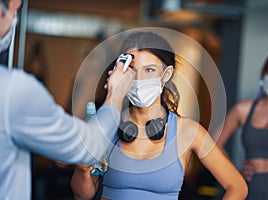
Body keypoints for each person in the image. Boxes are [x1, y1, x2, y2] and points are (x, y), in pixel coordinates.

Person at [71, 31, 248, 200]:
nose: (139, 78)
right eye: (132, 69)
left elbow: (237, 187)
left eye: (149, 70)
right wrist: (83, 169)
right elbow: (82, 195)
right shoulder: (105, 125)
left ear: (166, 74)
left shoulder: (187, 131)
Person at [0, 0, 135, 199]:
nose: (15, 18)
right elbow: (89, 148)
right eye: (15, 9)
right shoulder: (13, 90)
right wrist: (116, 94)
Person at [217, 49, 268, 199]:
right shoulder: (243, 109)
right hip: (249, 190)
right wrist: (233, 173)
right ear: (264, 73)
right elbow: (214, 144)